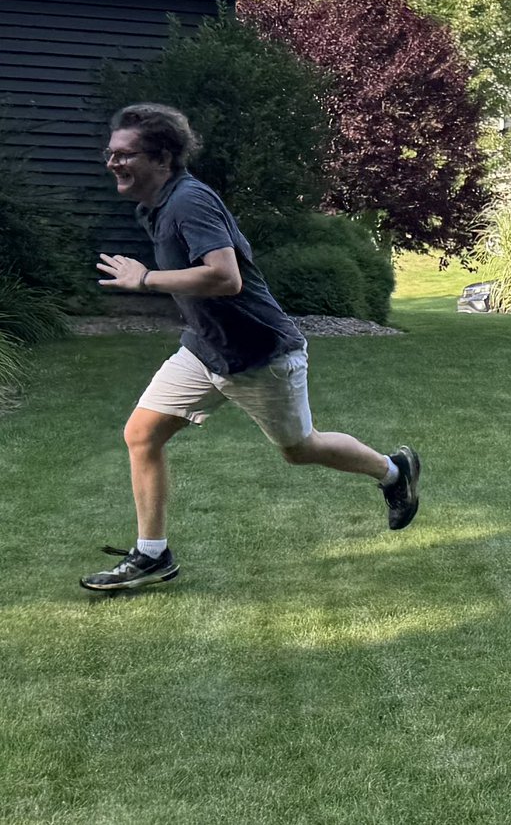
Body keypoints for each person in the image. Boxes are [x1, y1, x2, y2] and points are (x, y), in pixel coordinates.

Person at [81, 103, 420, 592]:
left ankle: (393, 471)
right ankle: (153, 554)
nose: (112, 162)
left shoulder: (188, 202)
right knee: (141, 435)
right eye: (110, 153)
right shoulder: (155, 206)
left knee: (300, 450)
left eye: (124, 154)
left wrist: (147, 279)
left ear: (162, 158)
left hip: (261, 355)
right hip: (204, 349)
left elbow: (225, 277)